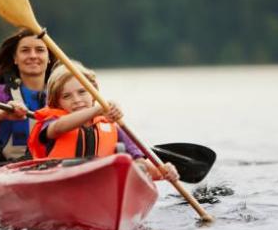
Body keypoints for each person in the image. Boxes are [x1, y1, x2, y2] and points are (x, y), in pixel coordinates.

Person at [28, 61, 179, 181]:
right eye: (66, 96)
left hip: (102, 183)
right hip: (61, 181)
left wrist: (162, 171)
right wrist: (98, 109)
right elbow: (58, 128)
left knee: (136, 164)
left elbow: (140, 162)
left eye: (82, 92)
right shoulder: (53, 122)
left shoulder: (112, 127)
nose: (76, 100)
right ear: (57, 102)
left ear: (93, 93)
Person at [0, 28, 55, 162]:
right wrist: (1, 113)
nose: (33, 55)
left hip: (55, 163)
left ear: (49, 57)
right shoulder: (1, 92)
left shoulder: (61, 91)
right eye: (25, 50)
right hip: (12, 167)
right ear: (15, 58)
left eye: (40, 50)